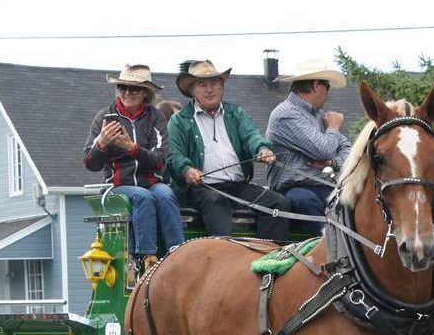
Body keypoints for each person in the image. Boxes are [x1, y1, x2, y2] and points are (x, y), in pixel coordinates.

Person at [167, 60, 290, 240]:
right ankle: (225, 260)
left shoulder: (236, 114)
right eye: (203, 84)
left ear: (222, 87)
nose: (210, 89)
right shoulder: (179, 120)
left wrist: (262, 149)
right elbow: (173, 155)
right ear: (192, 91)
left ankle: (268, 259)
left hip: (237, 186)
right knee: (216, 201)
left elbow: (251, 136)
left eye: (215, 83)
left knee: (279, 202)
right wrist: (187, 170)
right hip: (202, 188)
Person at [84, 64, 184, 282]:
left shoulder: (155, 117)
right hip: (119, 184)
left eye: (134, 89)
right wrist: (101, 144)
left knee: (167, 195)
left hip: (151, 181)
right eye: (122, 87)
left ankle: (179, 253)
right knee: (143, 197)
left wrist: (132, 148)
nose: (127, 93)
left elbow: (159, 162)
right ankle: (147, 257)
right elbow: (90, 163)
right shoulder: (105, 117)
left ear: (145, 94)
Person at [266, 60, 352, 235]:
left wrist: (332, 162)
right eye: (327, 86)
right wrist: (334, 127)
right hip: (292, 189)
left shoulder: (318, 116)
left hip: (325, 186)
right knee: (305, 200)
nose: (328, 93)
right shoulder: (286, 114)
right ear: (315, 86)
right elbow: (323, 149)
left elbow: (348, 149)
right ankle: (328, 249)